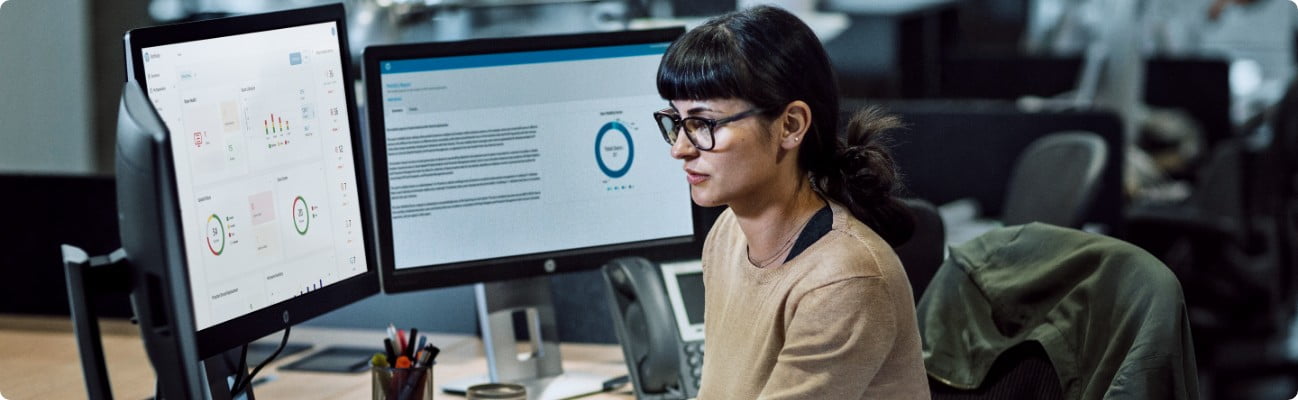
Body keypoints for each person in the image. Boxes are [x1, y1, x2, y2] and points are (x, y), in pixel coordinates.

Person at [652, 5, 929, 399]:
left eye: (704, 124)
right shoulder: (729, 233)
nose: (680, 149)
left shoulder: (842, 282)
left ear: (790, 125)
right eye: (677, 122)